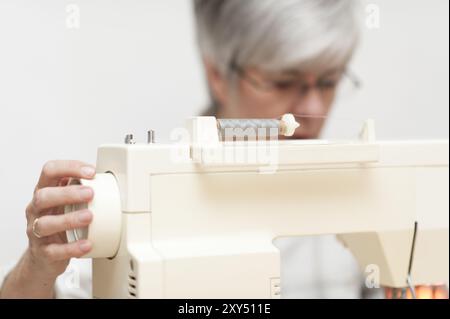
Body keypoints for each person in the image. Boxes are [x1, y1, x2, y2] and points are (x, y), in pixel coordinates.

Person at [1, 0, 444, 299]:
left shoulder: (356, 181)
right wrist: (38, 267)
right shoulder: (138, 199)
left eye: (328, 82)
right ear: (217, 72)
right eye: (283, 81)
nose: (312, 107)